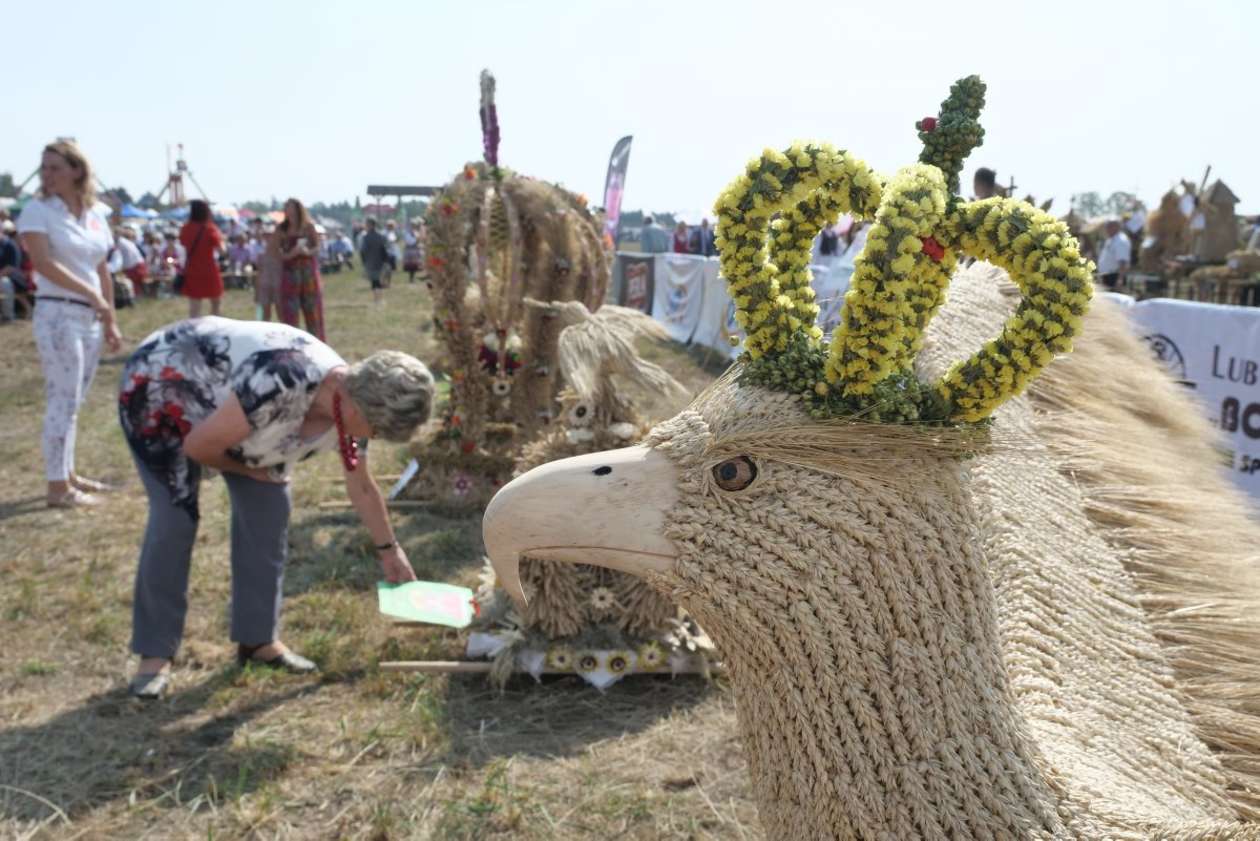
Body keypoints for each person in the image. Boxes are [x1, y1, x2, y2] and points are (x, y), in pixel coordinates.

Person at [118, 317, 434, 698]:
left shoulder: (354, 403)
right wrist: (252, 471)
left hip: (235, 415)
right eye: (378, 431)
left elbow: (362, 486)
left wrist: (390, 551)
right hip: (163, 390)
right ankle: (154, 655)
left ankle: (258, 642)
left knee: (269, 511)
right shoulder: (281, 380)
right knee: (175, 519)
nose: (376, 438)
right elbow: (199, 446)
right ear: (361, 410)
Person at [16, 140, 123, 507]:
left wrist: (109, 316)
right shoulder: (37, 211)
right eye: (44, 168)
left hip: (88, 316)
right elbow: (44, 264)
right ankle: (57, 486)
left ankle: (67, 473)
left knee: (73, 400)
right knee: (61, 398)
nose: (47, 175)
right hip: (57, 312)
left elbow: (102, 268)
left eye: (55, 168)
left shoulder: (95, 215)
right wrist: (94, 297)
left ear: (77, 171)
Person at [272, 198, 325, 340]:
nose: (289, 211)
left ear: (298, 210)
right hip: (289, 274)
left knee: (312, 310)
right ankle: (291, 342)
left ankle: (316, 342)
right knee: (290, 312)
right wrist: (291, 254)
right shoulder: (281, 229)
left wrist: (307, 252)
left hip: (308, 273)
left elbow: (317, 247)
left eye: (292, 208)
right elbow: (276, 253)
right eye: (287, 208)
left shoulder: (309, 227)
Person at [178, 200, 225, 318]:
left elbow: (183, 244)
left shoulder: (185, 228)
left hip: (192, 270)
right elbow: (222, 251)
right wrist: (222, 239)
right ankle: (215, 326)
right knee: (215, 303)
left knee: (194, 306)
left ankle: (194, 328)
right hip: (209, 270)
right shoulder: (210, 228)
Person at [0, 220, 30, 322]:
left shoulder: (9, 244)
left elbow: (11, 267)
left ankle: (8, 316)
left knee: (4, 283)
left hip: (14, 277)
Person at [358, 217, 389, 306]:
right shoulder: (381, 236)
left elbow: (362, 251)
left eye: (367, 224)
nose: (365, 226)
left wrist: (364, 261)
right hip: (380, 262)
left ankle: (377, 300)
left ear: (371, 225)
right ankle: (379, 299)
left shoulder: (366, 237)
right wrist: (386, 260)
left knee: (375, 282)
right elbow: (385, 249)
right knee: (379, 281)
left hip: (371, 262)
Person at [1096, 219, 1132, 290]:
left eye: (1109, 226)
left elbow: (1123, 261)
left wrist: (1120, 279)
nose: (1106, 229)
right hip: (1107, 276)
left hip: (1115, 277)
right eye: (1106, 226)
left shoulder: (1121, 241)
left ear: (1116, 227)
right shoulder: (1111, 239)